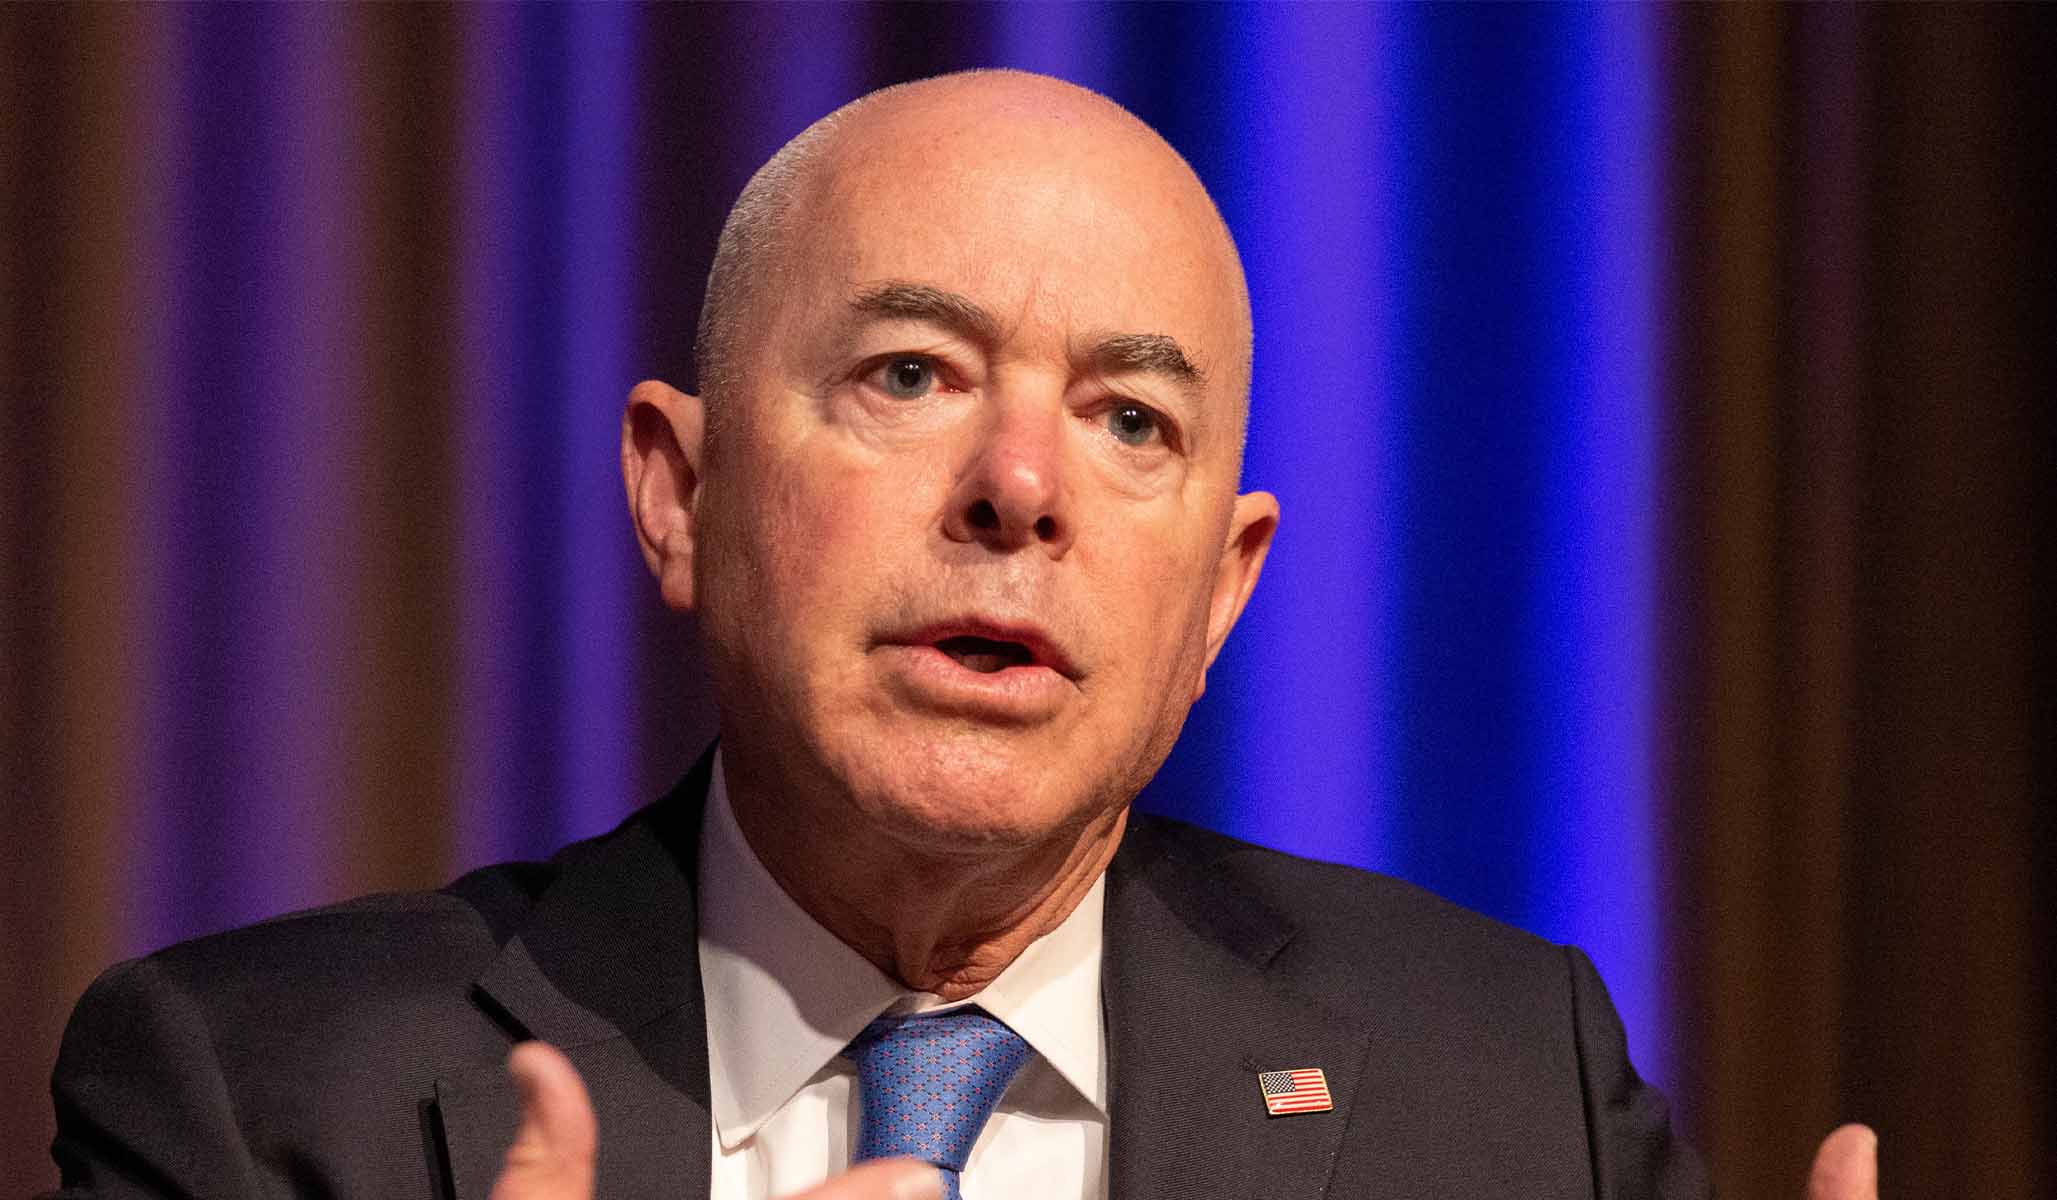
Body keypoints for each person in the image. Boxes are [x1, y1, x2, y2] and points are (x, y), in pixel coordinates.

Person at [44, 70, 1877, 1200]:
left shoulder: (1503, 1091)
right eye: (910, 374)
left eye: (1130, 419)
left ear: (1222, 592)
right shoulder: (257, 1101)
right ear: (677, 493)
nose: (1019, 485)